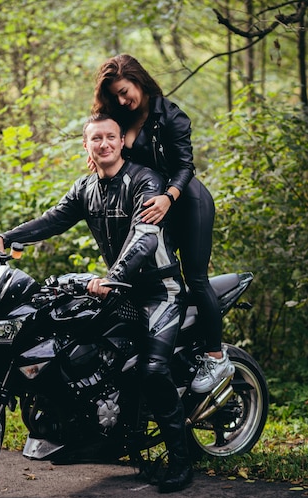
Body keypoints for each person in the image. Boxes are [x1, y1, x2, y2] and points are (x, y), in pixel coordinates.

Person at [0, 114, 193, 493]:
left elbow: (144, 238)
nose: (104, 144)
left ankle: (180, 460)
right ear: (87, 145)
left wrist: (115, 277)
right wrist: (4, 239)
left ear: (121, 142)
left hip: (158, 289)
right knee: (75, 346)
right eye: (96, 139)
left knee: (154, 369)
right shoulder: (86, 189)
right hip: (118, 287)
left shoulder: (145, 180)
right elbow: (51, 221)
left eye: (111, 137)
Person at [91, 54, 234, 394]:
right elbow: (104, 138)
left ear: (139, 81)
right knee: (152, 277)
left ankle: (216, 357)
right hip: (154, 205)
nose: (123, 100)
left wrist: (169, 196)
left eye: (126, 92)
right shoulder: (119, 118)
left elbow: (186, 166)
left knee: (194, 278)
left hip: (187, 202)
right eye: (116, 96)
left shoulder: (169, 116)